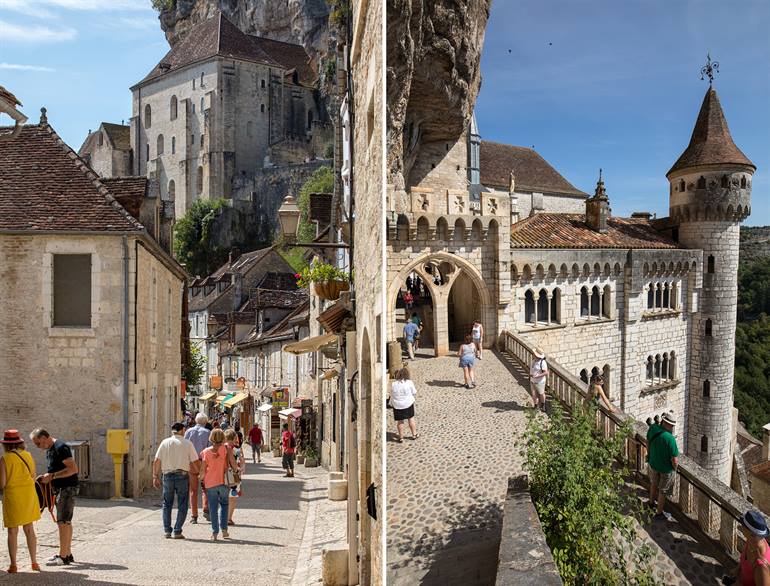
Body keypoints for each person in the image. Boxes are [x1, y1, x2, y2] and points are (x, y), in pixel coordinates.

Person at [30, 429, 78, 566]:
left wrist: (52, 476)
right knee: (66, 522)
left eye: (38, 443)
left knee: (63, 522)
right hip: (62, 489)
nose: (38, 447)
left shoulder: (60, 447)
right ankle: (67, 554)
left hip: (66, 488)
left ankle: (63, 557)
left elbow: (73, 469)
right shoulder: (51, 449)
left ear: (45, 437)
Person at [0, 430, 41, 573]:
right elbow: (33, 475)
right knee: (29, 529)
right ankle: (34, 562)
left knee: (12, 531)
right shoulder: (28, 455)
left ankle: (13, 565)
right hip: (28, 495)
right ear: (20, 442)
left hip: (13, 496)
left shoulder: (4, 459)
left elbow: (2, 483)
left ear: (6, 444)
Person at [152, 422, 199, 539]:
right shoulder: (187, 443)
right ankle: (177, 530)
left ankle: (167, 530)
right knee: (182, 504)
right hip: (182, 475)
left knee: (167, 504)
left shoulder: (164, 442)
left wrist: (155, 476)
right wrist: (200, 473)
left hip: (167, 475)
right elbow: (195, 461)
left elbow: (157, 460)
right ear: (182, 430)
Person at [199, 429, 237, 541]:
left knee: (213, 508)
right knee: (225, 505)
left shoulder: (206, 452)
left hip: (210, 483)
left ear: (211, 438)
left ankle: (215, 532)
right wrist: (236, 471)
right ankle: (224, 530)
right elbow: (233, 464)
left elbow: (202, 469)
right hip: (223, 481)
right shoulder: (227, 449)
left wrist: (200, 478)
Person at [646, 411, 679, 521]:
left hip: (653, 463)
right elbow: (674, 459)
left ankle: (650, 503)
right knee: (662, 491)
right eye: (671, 425)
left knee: (653, 483)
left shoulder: (653, 428)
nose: (672, 427)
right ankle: (659, 513)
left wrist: (649, 455)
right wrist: (675, 468)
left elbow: (648, 442)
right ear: (666, 423)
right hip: (665, 469)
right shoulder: (670, 439)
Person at [726, 510, 770, 586]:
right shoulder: (751, 541)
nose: (741, 526)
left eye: (743, 525)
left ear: (750, 533)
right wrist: (737, 569)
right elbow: (744, 558)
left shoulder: (761, 567)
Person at [184, 413, 210, 524]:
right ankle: (205, 508)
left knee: (193, 491)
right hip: (203, 462)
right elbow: (209, 449)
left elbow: (184, 446)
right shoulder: (207, 432)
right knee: (206, 488)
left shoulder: (188, 432)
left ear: (196, 421)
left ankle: (194, 516)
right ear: (205, 422)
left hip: (191, 463)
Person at [389, 368, 418, 442]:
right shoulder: (409, 382)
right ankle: (414, 434)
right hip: (408, 404)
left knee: (400, 421)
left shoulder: (394, 384)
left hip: (397, 405)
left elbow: (392, 394)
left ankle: (401, 437)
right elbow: (414, 392)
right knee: (411, 419)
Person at [224, 429, 245, 526]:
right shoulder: (237, 449)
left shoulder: (221, 448)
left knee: (222, 496)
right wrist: (241, 469)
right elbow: (242, 461)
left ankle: (222, 516)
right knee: (232, 497)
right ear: (234, 438)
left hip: (222, 474)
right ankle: (228, 518)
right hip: (234, 475)